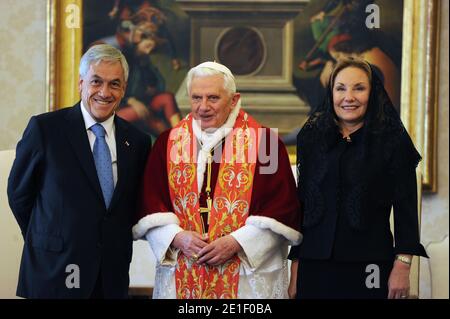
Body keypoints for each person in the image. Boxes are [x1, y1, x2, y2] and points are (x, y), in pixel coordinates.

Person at [132, 61, 302, 299]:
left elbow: (280, 210)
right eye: (196, 98)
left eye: (213, 98)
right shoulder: (166, 143)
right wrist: (177, 237)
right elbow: (151, 203)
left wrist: (236, 242)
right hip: (185, 272)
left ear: (234, 99)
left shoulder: (267, 144)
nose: (203, 107)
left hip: (245, 279)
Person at [7, 44, 151, 298]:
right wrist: (48, 237)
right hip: (54, 270)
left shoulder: (137, 141)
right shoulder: (45, 130)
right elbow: (19, 194)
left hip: (110, 275)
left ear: (124, 89)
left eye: (114, 84)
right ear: (81, 83)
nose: (104, 92)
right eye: (96, 82)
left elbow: (132, 204)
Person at [288, 57, 428, 299]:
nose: (348, 97)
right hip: (315, 265)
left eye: (359, 88)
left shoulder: (392, 142)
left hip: (370, 267)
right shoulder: (312, 138)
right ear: (330, 92)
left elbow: (405, 209)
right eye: (340, 88)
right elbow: (304, 206)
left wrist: (403, 266)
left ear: (372, 93)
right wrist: (296, 267)